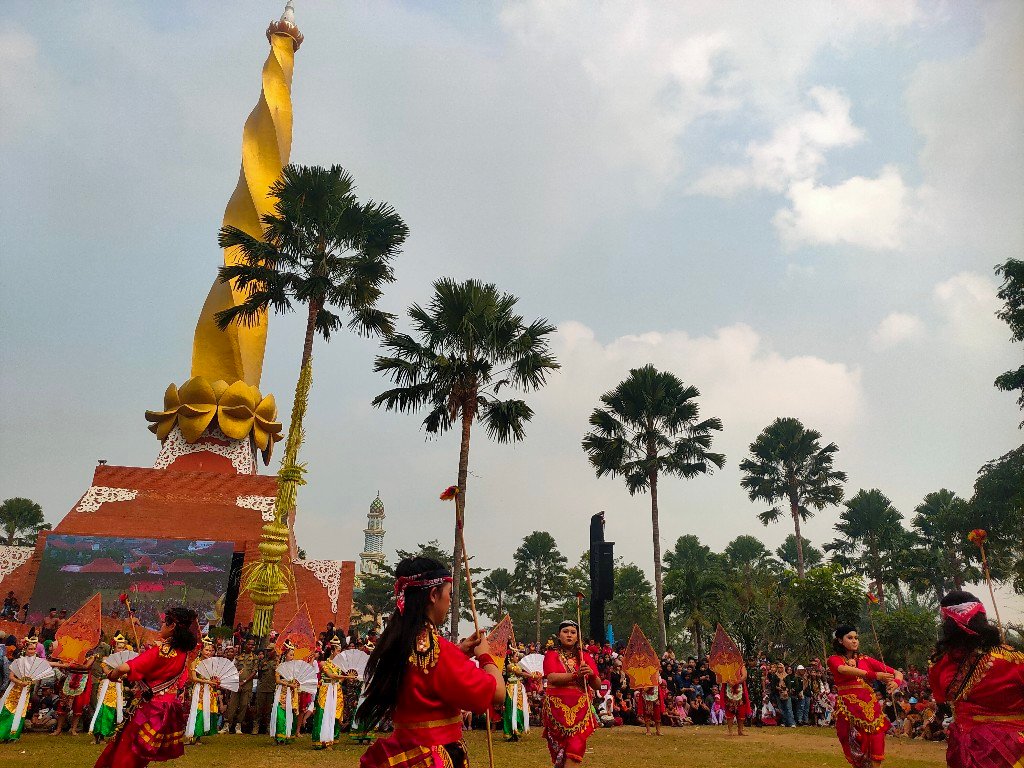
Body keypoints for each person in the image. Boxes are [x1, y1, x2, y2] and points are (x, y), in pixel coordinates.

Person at [357, 557, 504, 768]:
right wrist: (486, 656)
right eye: (449, 594)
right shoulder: (439, 651)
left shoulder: (397, 642)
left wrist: (459, 652)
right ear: (434, 595)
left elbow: (425, 673)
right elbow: (497, 693)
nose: (449, 602)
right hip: (433, 757)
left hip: (404, 753)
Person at [928, 591, 1024, 767]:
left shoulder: (939, 664)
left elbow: (941, 701)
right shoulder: (1012, 660)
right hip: (1012, 750)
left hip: (963, 749)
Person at [94, 606, 199, 768]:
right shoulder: (183, 654)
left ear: (172, 626)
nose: (161, 626)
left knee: (127, 750)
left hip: (150, 708)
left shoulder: (161, 651)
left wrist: (112, 674)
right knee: (140, 753)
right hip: (167, 709)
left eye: (164, 623)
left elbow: (123, 668)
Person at [828, 625, 903, 768]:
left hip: (871, 710)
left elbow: (897, 673)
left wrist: (896, 682)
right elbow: (843, 669)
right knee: (856, 745)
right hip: (849, 709)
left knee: (876, 743)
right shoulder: (834, 659)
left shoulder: (866, 659)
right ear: (840, 640)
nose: (854, 641)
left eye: (856, 638)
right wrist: (873, 675)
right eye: (850, 638)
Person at [542, 620, 599, 766]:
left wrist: (591, 674)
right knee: (559, 749)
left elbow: (597, 685)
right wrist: (576, 675)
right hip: (557, 709)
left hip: (580, 710)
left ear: (577, 637)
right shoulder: (551, 654)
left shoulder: (585, 656)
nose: (569, 635)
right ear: (559, 635)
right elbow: (552, 678)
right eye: (565, 632)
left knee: (576, 746)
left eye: (573, 632)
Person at [0, 633, 49, 742]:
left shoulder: (36, 663)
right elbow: (11, 676)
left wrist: (66, 665)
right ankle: (2, 733)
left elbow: (48, 665)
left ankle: (13, 735)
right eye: (30, 649)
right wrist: (20, 682)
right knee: (8, 711)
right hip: (14, 691)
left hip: (25, 692)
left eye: (34, 649)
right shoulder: (18, 661)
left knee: (20, 712)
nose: (32, 651)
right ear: (25, 650)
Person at [90, 632, 132, 743]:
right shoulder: (106, 659)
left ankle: (108, 734)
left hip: (118, 687)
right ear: (114, 647)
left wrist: (122, 672)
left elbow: (126, 675)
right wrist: (119, 672)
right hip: (106, 686)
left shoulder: (125, 662)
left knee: (113, 711)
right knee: (102, 710)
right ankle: (97, 735)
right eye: (119, 647)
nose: (121, 650)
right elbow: (107, 672)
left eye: (123, 648)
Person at [184, 636, 221, 745]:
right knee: (198, 711)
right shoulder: (195, 662)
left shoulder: (213, 663)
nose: (209, 652)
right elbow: (194, 678)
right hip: (199, 689)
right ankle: (193, 734)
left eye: (211, 650)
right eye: (207, 650)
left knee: (206, 711)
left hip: (210, 690)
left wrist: (216, 681)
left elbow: (215, 677)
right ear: (201, 650)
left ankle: (199, 736)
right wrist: (208, 681)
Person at [312, 637, 345, 749]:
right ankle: (320, 739)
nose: (339, 653)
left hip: (336, 690)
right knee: (322, 713)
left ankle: (330, 739)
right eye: (338, 651)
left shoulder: (340, 665)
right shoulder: (323, 663)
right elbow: (331, 675)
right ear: (332, 651)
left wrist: (342, 680)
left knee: (334, 713)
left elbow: (340, 678)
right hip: (325, 690)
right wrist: (345, 677)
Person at [221, 638, 257, 734]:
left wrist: (244, 682)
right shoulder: (238, 657)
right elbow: (234, 670)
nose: (251, 646)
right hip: (236, 684)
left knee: (244, 705)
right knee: (232, 704)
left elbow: (254, 672)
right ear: (245, 645)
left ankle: (238, 725)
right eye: (249, 644)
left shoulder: (255, 658)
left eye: (252, 645)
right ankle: (227, 725)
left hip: (247, 685)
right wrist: (237, 682)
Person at [270, 641, 300, 744]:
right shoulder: (280, 666)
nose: (292, 657)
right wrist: (289, 684)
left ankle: (288, 735)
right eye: (290, 655)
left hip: (291, 692)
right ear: (285, 655)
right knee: (280, 714)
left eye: (293, 655)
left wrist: (296, 684)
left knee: (290, 713)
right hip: (281, 691)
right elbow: (277, 680)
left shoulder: (295, 667)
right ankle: (280, 736)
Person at [502, 652, 531, 741]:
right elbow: (519, 673)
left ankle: (518, 730)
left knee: (520, 710)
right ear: (511, 657)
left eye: (518, 656)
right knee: (510, 710)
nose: (517, 658)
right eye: (516, 656)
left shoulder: (519, 665)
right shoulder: (509, 666)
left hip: (519, 689)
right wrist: (532, 675)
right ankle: (509, 732)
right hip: (511, 689)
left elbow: (522, 673)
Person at [720, 667, 751, 736]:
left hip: (740, 690)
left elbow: (744, 676)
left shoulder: (741, 666)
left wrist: (736, 682)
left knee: (741, 710)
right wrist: (729, 681)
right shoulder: (726, 666)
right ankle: (730, 731)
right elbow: (722, 676)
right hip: (729, 689)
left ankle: (740, 730)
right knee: (729, 710)